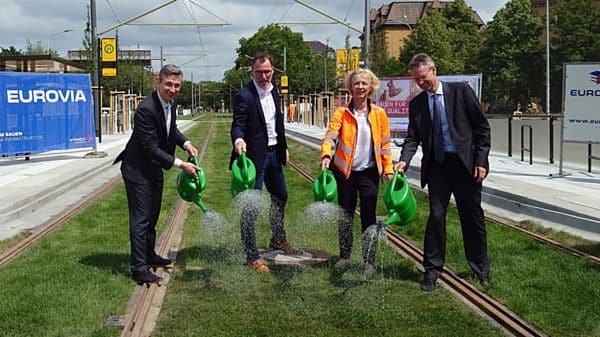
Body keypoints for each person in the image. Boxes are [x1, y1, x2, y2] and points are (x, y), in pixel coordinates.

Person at [395, 53, 491, 292]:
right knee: (436, 217)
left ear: (434, 70)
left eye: (423, 77)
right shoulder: (417, 104)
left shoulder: (460, 92)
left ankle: (480, 269)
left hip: (464, 165)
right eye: (417, 79)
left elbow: (481, 128)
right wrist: (403, 161)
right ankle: (432, 271)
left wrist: (481, 161)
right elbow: (412, 137)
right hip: (437, 166)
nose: (421, 83)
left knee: (472, 217)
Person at [114, 64, 200, 284]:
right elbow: (150, 147)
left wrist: (186, 143)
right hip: (137, 170)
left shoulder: (170, 103)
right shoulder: (146, 109)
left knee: (152, 216)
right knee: (140, 219)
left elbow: (171, 129)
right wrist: (181, 164)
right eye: (168, 84)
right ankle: (138, 268)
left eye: (177, 85)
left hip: (153, 168)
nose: (173, 89)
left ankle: (150, 255)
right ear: (158, 83)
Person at [320, 68, 394, 276]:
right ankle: (344, 256)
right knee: (345, 214)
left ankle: (368, 260)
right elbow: (330, 136)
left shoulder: (379, 114)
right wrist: (326, 155)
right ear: (350, 88)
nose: (360, 87)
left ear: (371, 87)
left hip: (370, 173)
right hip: (345, 173)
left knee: (369, 217)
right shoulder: (341, 113)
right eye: (356, 83)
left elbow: (385, 145)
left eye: (364, 83)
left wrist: (387, 169)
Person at [230, 52, 298, 274]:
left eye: (267, 71)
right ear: (252, 72)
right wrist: (238, 140)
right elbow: (238, 124)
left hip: (274, 153)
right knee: (252, 205)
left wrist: (283, 147)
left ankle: (278, 239)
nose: (263, 75)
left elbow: (277, 123)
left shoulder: (275, 91)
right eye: (259, 72)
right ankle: (251, 256)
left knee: (281, 196)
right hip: (253, 157)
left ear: (273, 70)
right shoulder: (245, 95)